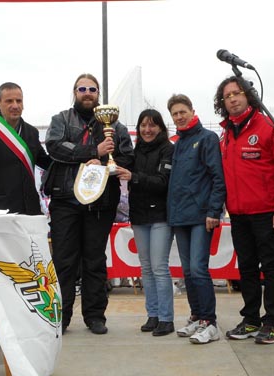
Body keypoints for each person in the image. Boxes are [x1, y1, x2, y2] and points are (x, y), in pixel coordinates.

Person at [44, 73, 134, 335]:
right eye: (82, 88)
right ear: (74, 92)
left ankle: (95, 316)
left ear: (98, 94)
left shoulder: (115, 126)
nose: (87, 93)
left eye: (92, 89)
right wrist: (92, 152)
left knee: (95, 260)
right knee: (64, 261)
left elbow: (127, 157)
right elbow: (54, 147)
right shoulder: (60, 119)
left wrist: (105, 162)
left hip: (101, 202)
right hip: (65, 200)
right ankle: (61, 316)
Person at [214, 76, 274, 345]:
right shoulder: (225, 134)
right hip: (238, 214)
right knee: (246, 268)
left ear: (249, 95)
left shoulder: (270, 126)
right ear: (223, 102)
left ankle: (271, 321)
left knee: (271, 267)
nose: (233, 99)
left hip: (267, 212)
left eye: (238, 93)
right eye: (228, 96)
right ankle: (250, 318)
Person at [166, 94, 226, 344]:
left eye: (182, 112)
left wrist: (214, 211)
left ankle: (209, 322)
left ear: (192, 111)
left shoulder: (208, 138)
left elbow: (217, 177)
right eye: (175, 114)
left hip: (202, 216)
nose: (179, 117)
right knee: (188, 272)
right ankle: (196, 316)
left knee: (199, 270)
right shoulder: (178, 143)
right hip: (180, 216)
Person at [116, 109, 175, 336]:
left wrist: (134, 177)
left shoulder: (168, 149)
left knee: (160, 267)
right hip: (139, 215)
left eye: (152, 125)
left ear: (160, 127)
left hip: (160, 216)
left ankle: (167, 319)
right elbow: (120, 164)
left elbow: (163, 181)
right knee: (146, 268)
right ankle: (153, 314)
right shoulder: (135, 150)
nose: (147, 130)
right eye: (143, 125)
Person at [0, 82, 51, 215]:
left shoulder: (31, 132)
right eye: (9, 101)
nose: (15, 106)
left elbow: (46, 162)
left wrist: (77, 161)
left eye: (19, 101)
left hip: (30, 209)